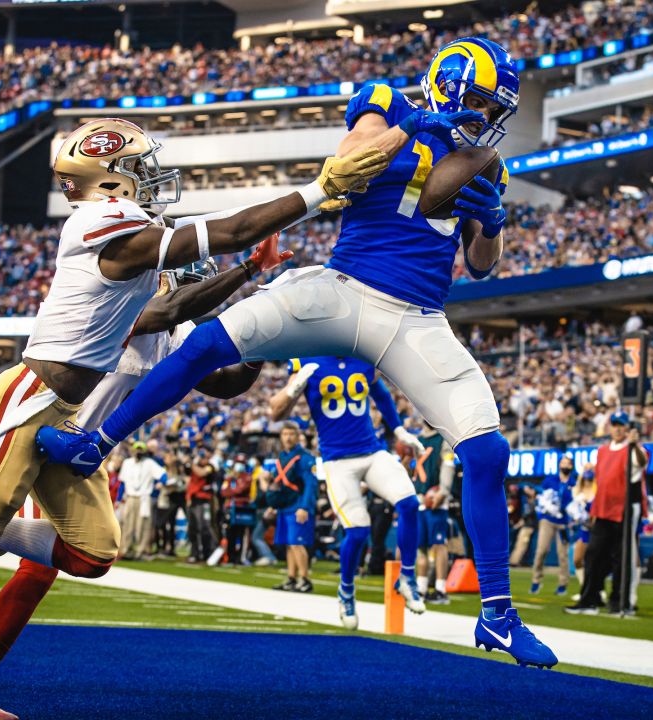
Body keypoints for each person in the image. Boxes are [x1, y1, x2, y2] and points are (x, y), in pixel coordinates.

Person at [0, 114, 377, 719]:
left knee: (92, 554)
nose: (151, 180)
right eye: (138, 169)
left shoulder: (146, 287)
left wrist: (264, 332)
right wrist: (316, 194)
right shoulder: (98, 227)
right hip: (31, 403)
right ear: (107, 178)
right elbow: (189, 278)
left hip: (70, 430)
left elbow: (213, 371)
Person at [37, 39, 559, 667]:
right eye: (477, 100)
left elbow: (478, 265)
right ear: (446, 85)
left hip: (417, 317)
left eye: (492, 107)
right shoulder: (388, 103)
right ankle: (97, 444)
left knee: (487, 447)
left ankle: (497, 614)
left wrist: (495, 224)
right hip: (345, 288)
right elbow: (345, 164)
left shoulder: (485, 161)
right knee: (208, 342)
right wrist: (411, 128)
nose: (485, 116)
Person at [269, 356, 426, 629]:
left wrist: (399, 430)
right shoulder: (306, 357)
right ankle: (346, 591)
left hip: (372, 451)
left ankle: (408, 577)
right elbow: (276, 412)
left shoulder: (360, 351)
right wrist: (294, 389)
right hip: (337, 461)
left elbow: (379, 390)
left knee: (410, 503)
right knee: (358, 531)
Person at [567, 412, 647, 615]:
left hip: (623, 509)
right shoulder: (601, 451)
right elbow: (599, 482)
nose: (618, 429)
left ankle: (620, 601)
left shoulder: (633, 450)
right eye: (615, 425)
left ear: (627, 428)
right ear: (610, 427)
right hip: (602, 509)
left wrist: (634, 444)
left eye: (621, 425)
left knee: (622, 558)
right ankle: (589, 599)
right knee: (593, 555)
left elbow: (642, 463)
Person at [257, 423, 320, 592]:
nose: (288, 437)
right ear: (281, 436)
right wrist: (274, 505)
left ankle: (305, 579)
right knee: (289, 544)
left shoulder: (306, 458)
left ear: (297, 435)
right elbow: (281, 486)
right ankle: (291, 578)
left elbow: (311, 485)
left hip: (298, 506)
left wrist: (305, 507)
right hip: (285, 506)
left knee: (297, 544)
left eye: (291, 434)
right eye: (285, 434)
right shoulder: (282, 457)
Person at [414, 420, 454, 605]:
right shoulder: (417, 440)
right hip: (420, 498)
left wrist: (444, 491)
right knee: (420, 546)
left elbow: (448, 465)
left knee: (439, 545)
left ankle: (440, 589)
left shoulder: (444, 439)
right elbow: (412, 470)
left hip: (435, 499)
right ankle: (421, 588)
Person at [530, 455, 573, 596]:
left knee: (563, 554)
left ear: (571, 466)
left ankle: (563, 584)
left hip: (564, 523)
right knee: (541, 550)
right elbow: (540, 497)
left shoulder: (573, 484)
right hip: (548, 520)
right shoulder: (550, 480)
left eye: (568, 463)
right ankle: (536, 580)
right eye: (563, 462)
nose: (565, 465)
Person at [117, 441, 159, 560]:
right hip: (130, 497)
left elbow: (162, 475)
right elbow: (122, 482)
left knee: (143, 525)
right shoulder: (127, 463)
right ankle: (125, 550)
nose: (139, 452)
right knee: (127, 525)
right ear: (133, 450)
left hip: (144, 498)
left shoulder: (150, 463)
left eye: (141, 449)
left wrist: (159, 485)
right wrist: (119, 499)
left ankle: (140, 551)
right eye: (137, 449)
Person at [564, 465, 595, 602]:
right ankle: (585, 590)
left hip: (597, 529)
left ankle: (596, 591)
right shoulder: (579, 490)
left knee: (593, 562)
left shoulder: (597, 489)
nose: (588, 471)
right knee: (577, 559)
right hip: (584, 529)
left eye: (591, 468)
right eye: (586, 468)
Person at [219, 456, 255, 565]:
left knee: (242, 533)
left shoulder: (247, 477)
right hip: (230, 508)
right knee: (230, 533)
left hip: (242, 509)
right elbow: (223, 492)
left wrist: (231, 490)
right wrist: (232, 489)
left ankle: (241, 558)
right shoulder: (229, 478)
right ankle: (230, 557)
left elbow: (240, 489)